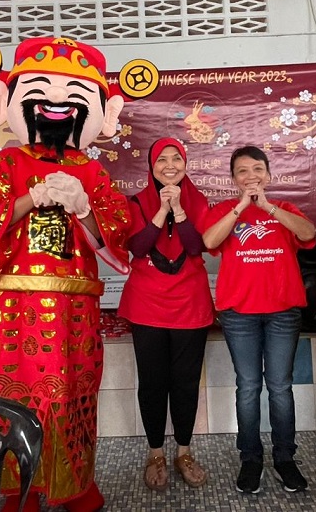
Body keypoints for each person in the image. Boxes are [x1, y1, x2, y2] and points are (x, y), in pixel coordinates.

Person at [0, 37, 131, 512]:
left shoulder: (94, 172)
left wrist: (83, 208)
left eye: (74, 95)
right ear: (10, 101)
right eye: (42, 90)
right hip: (13, 308)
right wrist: (30, 199)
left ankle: (74, 482)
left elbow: (115, 237)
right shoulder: (6, 164)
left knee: (74, 394)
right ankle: (18, 487)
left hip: (75, 309)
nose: (57, 103)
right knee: (11, 394)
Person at [202, 145, 316, 495]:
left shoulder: (285, 209)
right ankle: (250, 459)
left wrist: (266, 207)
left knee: (280, 386)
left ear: (268, 174)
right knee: (248, 387)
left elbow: (308, 234)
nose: (250, 176)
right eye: (242, 171)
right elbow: (210, 240)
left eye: (256, 170)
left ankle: (285, 459)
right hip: (239, 315)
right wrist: (241, 207)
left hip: (283, 312)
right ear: (233, 178)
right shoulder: (224, 210)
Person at [117, 138, 213, 492]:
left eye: (177, 158)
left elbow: (195, 246)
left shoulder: (199, 200)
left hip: (190, 303)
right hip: (147, 305)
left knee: (186, 383)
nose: (170, 165)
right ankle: (155, 452)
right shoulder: (136, 201)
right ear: (151, 165)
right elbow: (137, 247)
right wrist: (161, 209)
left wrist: (181, 210)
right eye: (162, 159)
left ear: (186, 163)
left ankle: (183, 452)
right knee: (153, 383)